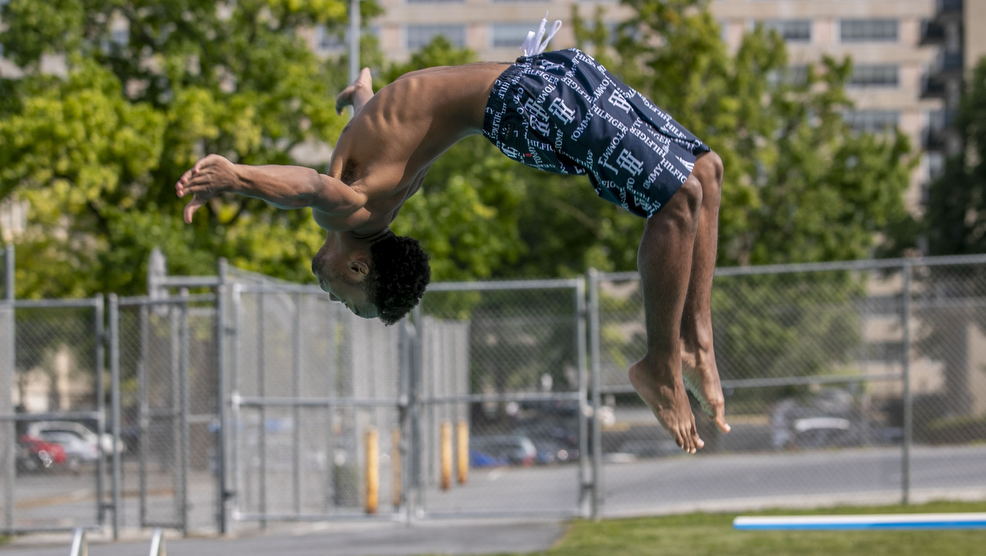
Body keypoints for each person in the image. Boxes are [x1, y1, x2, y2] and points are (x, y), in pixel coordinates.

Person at [175, 43, 730, 453]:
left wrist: (240, 173)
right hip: (530, 91)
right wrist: (241, 175)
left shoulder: (354, 205)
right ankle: (669, 356)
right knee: (684, 193)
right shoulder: (360, 206)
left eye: (345, 301)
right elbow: (318, 182)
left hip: (529, 88)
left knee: (705, 171)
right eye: (347, 297)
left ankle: (687, 343)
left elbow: (329, 175)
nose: (330, 292)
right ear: (360, 264)